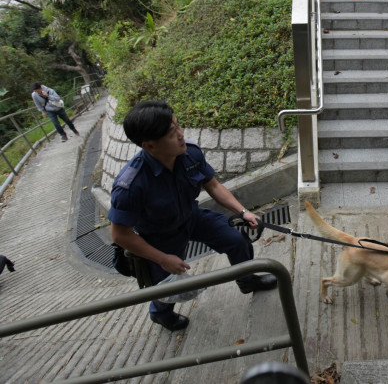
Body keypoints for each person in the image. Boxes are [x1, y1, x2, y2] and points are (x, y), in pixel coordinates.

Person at [107, 100, 277, 332]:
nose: (180, 135)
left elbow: (214, 186)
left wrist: (243, 212)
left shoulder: (190, 154)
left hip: (192, 217)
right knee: (166, 286)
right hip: (159, 237)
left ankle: (247, 279)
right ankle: (160, 314)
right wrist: (161, 258)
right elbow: (120, 234)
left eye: (178, 126)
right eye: (171, 133)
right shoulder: (131, 185)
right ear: (150, 146)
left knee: (237, 240)